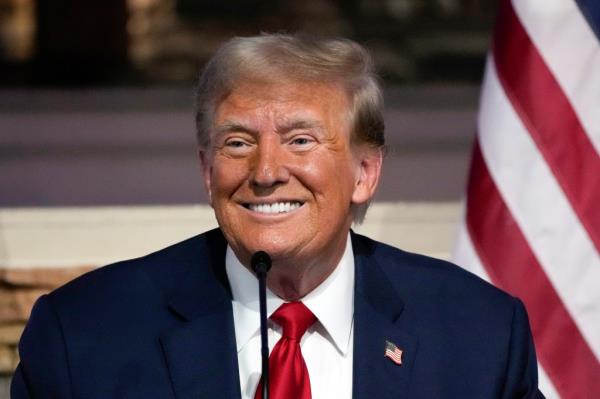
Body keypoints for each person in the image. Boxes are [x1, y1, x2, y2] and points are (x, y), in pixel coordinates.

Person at [12, 34, 544, 398]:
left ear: (365, 171)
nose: (266, 171)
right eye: (238, 142)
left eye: (300, 139)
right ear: (206, 168)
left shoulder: (480, 336)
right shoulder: (82, 336)